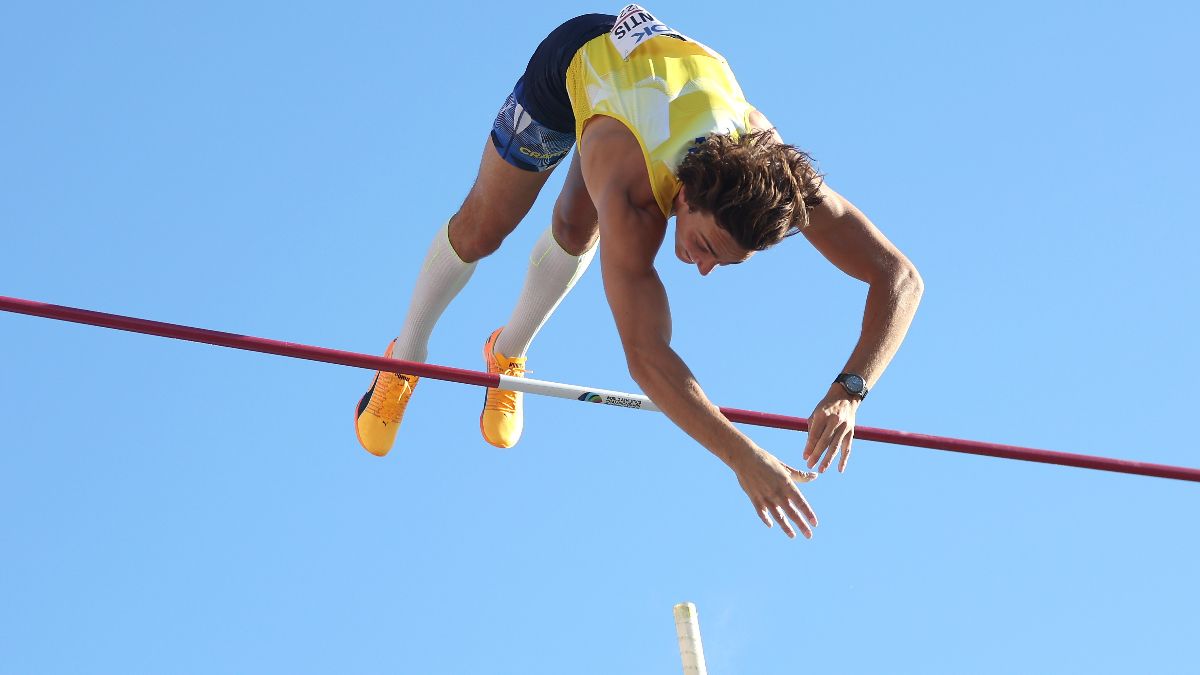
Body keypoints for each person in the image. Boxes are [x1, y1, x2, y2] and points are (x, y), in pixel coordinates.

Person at [354, 6, 923, 539]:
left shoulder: (778, 176)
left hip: (647, 92)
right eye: (705, 245)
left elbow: (899, 277)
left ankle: (508, 350)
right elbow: (646, 358)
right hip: (579, 66)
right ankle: (403, 356)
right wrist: (743, 459)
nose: (700, 268)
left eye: (721, 262)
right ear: (690, 196)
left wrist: (850, 390)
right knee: (485, 228)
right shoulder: (632, 194)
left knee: (576, 230)